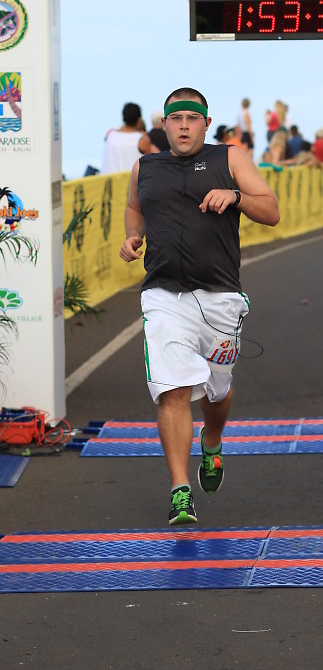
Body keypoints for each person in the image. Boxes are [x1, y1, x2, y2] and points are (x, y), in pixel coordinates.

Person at [119, 86, 280, 526]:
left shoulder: (230, 159)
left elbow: (272, 210)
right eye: (176, 118)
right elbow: (135, 208)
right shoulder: (144, 167)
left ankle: (212, 440)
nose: (184, 125)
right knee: (171, 392)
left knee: (217, 391)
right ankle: (180, 490)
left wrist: (237, 197)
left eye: (193, 118)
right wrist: (133, 237)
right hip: (163, 295)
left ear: (206, 123)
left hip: (221, 297)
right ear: (164, 124)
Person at [101, 102, 151, 174]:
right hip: (131, 183)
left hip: (109, 182)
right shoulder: (142, 140)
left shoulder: (110, 135)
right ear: (139, 119)